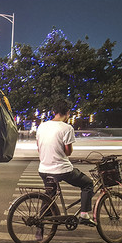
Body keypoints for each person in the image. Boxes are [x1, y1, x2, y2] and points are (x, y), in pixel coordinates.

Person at [36, 99, 96, 233]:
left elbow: (39, 148)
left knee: (49, 196)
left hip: (44, 168)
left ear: (53, 112)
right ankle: (84, 215)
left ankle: (40, 225)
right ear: (67, 113)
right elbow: (68, 152)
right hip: (61, 169)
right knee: (88, 184)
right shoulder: (67, 128)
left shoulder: (42, 126)